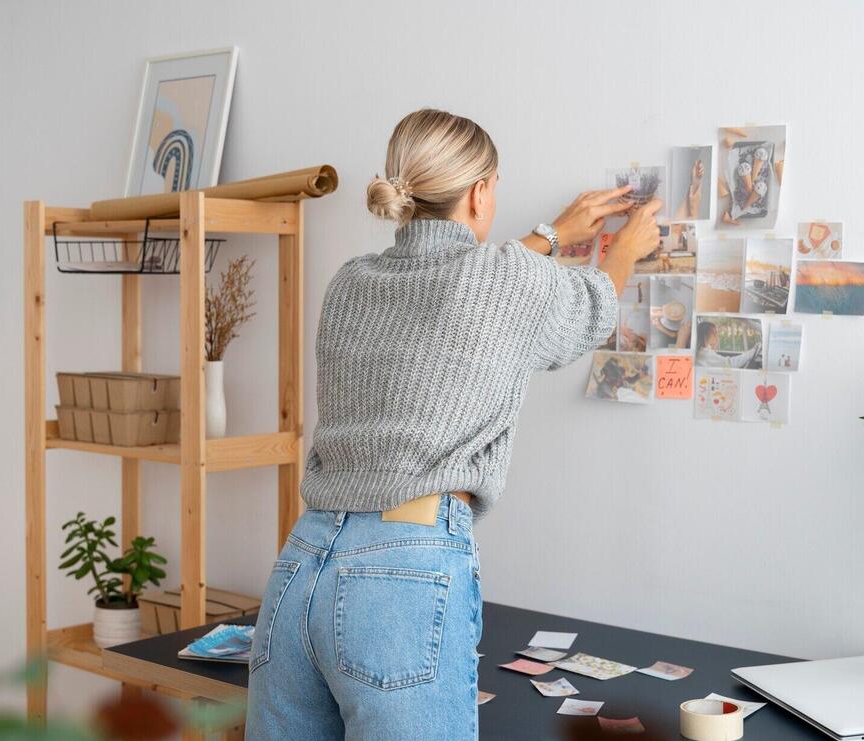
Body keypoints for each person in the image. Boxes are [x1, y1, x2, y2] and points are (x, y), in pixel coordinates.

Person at [244, 108, 664, 741]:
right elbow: (588, 310)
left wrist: (550, 234)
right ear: (479, 193)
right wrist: (625, 251)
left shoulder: (352, 282)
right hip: (400, 576)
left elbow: (459, 288)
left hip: (302, 563)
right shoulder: (504, 280)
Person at [695, 320, 760, 368]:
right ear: (705, 335)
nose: (717, 335)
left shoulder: (703, 352)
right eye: (714, 333)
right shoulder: (705, 354)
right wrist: (752, 352)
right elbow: (730, 363)